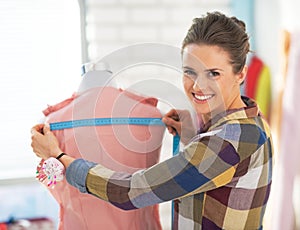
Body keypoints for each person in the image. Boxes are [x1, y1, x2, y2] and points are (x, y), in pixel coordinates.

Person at [31, 11, 273, 229]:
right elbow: (210, 179)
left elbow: (132, 192)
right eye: (190, 72)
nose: (198, 85)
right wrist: (192, 133)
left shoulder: (231, 141)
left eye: (214, 73)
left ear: (240, 74)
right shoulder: (252, 122)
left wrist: (62, 159)